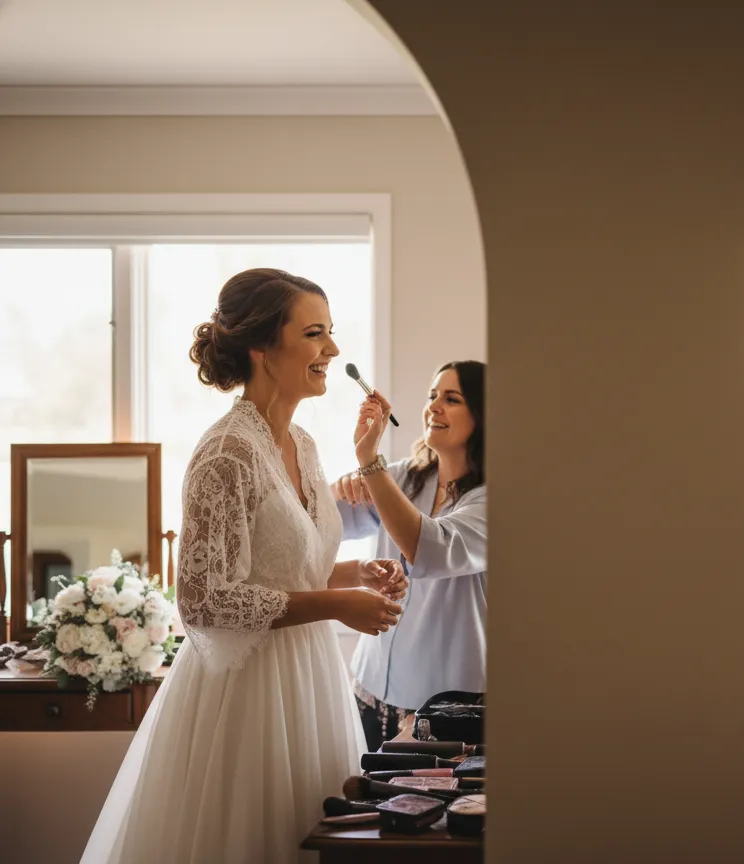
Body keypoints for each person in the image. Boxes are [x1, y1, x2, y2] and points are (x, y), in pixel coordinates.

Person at [82, 268, 408, 864]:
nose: (332, 349)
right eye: (315, 334)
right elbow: (204, 599)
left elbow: (284, 567)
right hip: (248, 690)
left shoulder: (304, 445)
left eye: (330, 333)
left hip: (307, 679)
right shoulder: (225, 453)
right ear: (262, 346)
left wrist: (354, 576)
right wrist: (335, 605)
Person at [332, 360, 487, 752]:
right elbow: (326, 526)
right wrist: (342, 486)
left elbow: (430, 548)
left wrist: (369, 464)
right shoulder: (402, 477)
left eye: (451, 398)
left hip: (445, 708)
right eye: (432, 396)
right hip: (370, 688)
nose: (434, 406)